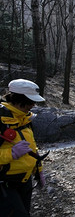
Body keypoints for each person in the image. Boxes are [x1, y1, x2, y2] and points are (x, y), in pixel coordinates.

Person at [0, 79, 46, 216]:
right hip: (5, 183)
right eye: (30, 102)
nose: (32, 105)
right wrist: (11, 153)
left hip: (24, 181)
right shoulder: (1, 120)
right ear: (17, 99)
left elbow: (32, 148)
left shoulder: (25, 119)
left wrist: (38, 171)